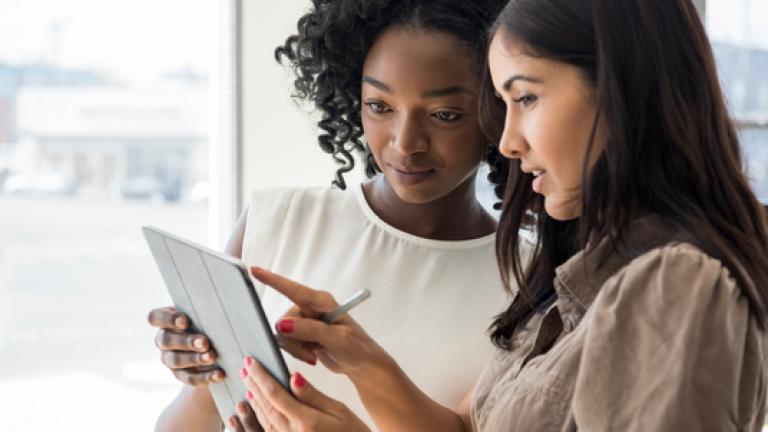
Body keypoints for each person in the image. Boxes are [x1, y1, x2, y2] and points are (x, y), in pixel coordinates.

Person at [238, 0, 768, 431]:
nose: (508, 141)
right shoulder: (578, 272)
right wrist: (359, 359)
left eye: (527, 98)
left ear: (621, 89)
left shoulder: (674, 284)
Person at [146, 1, 518, 431]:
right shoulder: (278, 222)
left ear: (501, 109)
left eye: (444, 115)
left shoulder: (528, 283)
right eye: (380, 106)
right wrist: (205, 372)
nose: (405, 143)